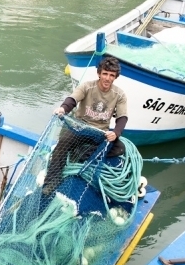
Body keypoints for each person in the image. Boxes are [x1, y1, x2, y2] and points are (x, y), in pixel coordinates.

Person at [43, 56, 128, 194]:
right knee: (63, 144)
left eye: (111, 75)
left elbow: (122, 117)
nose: (107, 78)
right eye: (105, 73)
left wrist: (116, 132)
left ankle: (83, 155)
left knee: (119, 148)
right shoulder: (87, 86)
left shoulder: (119, 94)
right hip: (80, 127)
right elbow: (72, 99)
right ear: (99, 73)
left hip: (100, 132)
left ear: (115, 77)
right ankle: (52, 181)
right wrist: (63, 108)